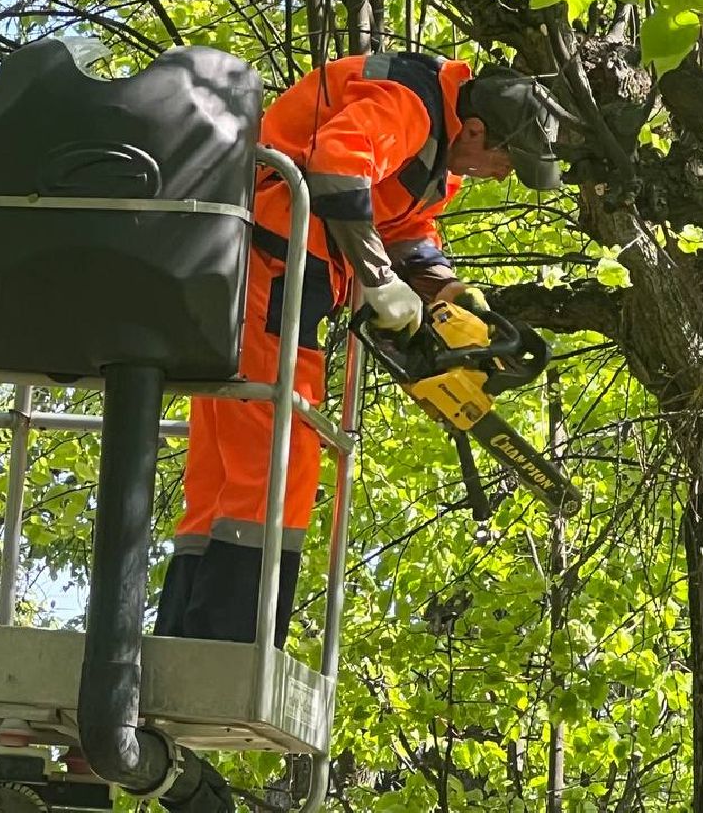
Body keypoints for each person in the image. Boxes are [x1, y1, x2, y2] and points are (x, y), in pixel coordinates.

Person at [154, 51, 562, 647]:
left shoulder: (435, 141)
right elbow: (338, 168)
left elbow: (401, 225)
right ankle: (230, 646)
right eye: (505, 158)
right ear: (476, 130)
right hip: (274, 264)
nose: (502, 174)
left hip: (281, 272)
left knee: (225, 463)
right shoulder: (410, 106)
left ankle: (183, 643)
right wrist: (377, 279)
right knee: (280, 454)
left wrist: (448, 292)